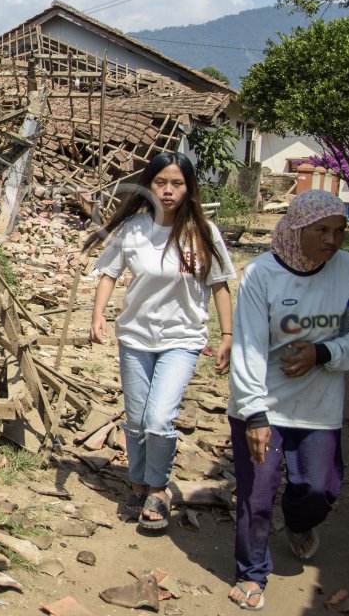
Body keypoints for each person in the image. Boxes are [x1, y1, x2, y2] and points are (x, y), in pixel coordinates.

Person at [226, 189, 349, 611]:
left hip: (319, 405)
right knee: (257, 494)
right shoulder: (262, 275)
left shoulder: (348, 270)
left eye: (339, 231)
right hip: (263, 403)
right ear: (296, 230)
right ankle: (251, 572)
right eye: (322, 231)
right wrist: (254, 413)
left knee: (318, 488)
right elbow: (248, 348)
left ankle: (298, 523)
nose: (332, 240)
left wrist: (325, 353)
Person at [86, 151, 235, 530]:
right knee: (136, 419)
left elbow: (219, 285)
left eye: (177, 184)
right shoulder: (134, 229)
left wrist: (227, 335)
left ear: (189, 188)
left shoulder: (203, 231)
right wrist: (98, 314)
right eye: (160, 183)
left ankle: (157, 488)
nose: (168, 191)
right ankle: (137, 483)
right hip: (135, 337)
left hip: (182, 339)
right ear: (149, 185)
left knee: (159, 417)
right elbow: (108, 273)